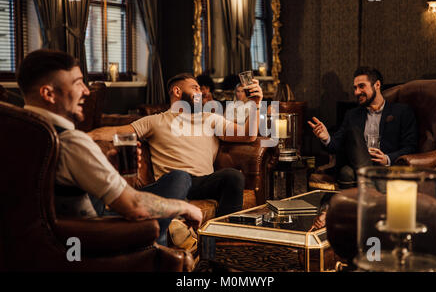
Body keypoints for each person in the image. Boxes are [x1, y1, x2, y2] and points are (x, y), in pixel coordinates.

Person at [16, 49, 202, 246]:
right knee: (173, 191)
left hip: (41, 243)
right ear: (48, 94)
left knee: (178, 178)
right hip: (89, 241)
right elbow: (135, 206)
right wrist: (184, 207)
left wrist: (107, 167)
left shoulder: (14, 132)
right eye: (78, 83)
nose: (86, 91)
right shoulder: (71, 142)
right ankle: (154, 250)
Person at [89, 73, 263, 217]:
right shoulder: (155, 121)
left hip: (202, 183)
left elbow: (248, 135)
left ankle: (223, 238)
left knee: (233, 177)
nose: (200, 92)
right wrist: (79, 136)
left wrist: (255, 104)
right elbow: (115, 132)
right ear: (177, 91)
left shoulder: (210, 119)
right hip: (170, 183)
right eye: (195, 88)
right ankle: (174, 222)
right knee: (180, 177)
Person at [308, 66, 418, 188]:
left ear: (377, 85)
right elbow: (336, 145)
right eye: (355, 88)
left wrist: (387, 159)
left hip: (385, 167)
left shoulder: (401, 111)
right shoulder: (352, 115)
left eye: (361, 86)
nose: (356, 92)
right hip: (357, 163)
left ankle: (365, 192)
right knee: (353, 133)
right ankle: (371, 186)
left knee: (346, 173)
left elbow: (410, 147)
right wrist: (326, 137)